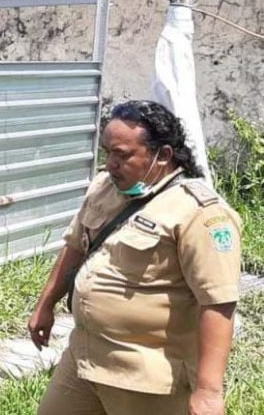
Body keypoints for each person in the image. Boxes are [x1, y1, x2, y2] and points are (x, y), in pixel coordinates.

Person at [27, 100, 242, 415]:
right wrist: (45, 305)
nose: (112, 163)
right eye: (108, 152)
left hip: (146, 376)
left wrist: (209, 391)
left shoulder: (200, 213)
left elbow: (218, 302)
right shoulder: (105, 186)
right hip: (86, 358)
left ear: (163, 156)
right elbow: (76, 246)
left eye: (123, 155)